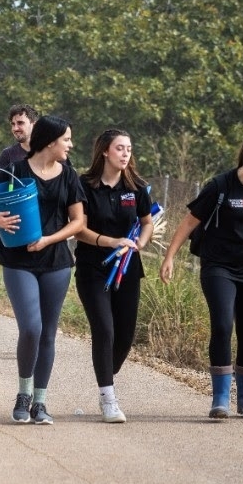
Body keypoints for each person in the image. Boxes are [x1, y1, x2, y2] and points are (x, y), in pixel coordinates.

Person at [159, 133, 243, 420]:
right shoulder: (219, 186)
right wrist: (169, 257)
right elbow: (190, 221)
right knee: (221, 326)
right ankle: (220, 396)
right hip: (219, 268)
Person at [0, 115, 86, 425]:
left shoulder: (69, 176)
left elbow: (78, 222)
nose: (70, 145)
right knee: (31, 328)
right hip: (18, 261)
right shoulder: (15, 169)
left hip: (56, 263)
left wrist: (49, 238)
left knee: (48, 333)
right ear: (50, 141)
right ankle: (22, 394)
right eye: (66, 139)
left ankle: (40, 401)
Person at [72, 129, 154, 423]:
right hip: (93, 267)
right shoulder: (84, 185)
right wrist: (110, 241)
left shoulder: (137, 187)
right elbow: (78, 228)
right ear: (105, 151)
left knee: (125, 336)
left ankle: (105, 373)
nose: (125, 153)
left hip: (128, 267)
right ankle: (108, 397)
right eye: (120, 148)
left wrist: (140, 243)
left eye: (129, 149)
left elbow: (147, 223)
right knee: (104, 330)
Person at [0, 104, 39, 172]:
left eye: (20, 123)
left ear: (34, 125)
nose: (15, 128)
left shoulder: (49, 152)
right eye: (13, 124)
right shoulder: (8, 154)